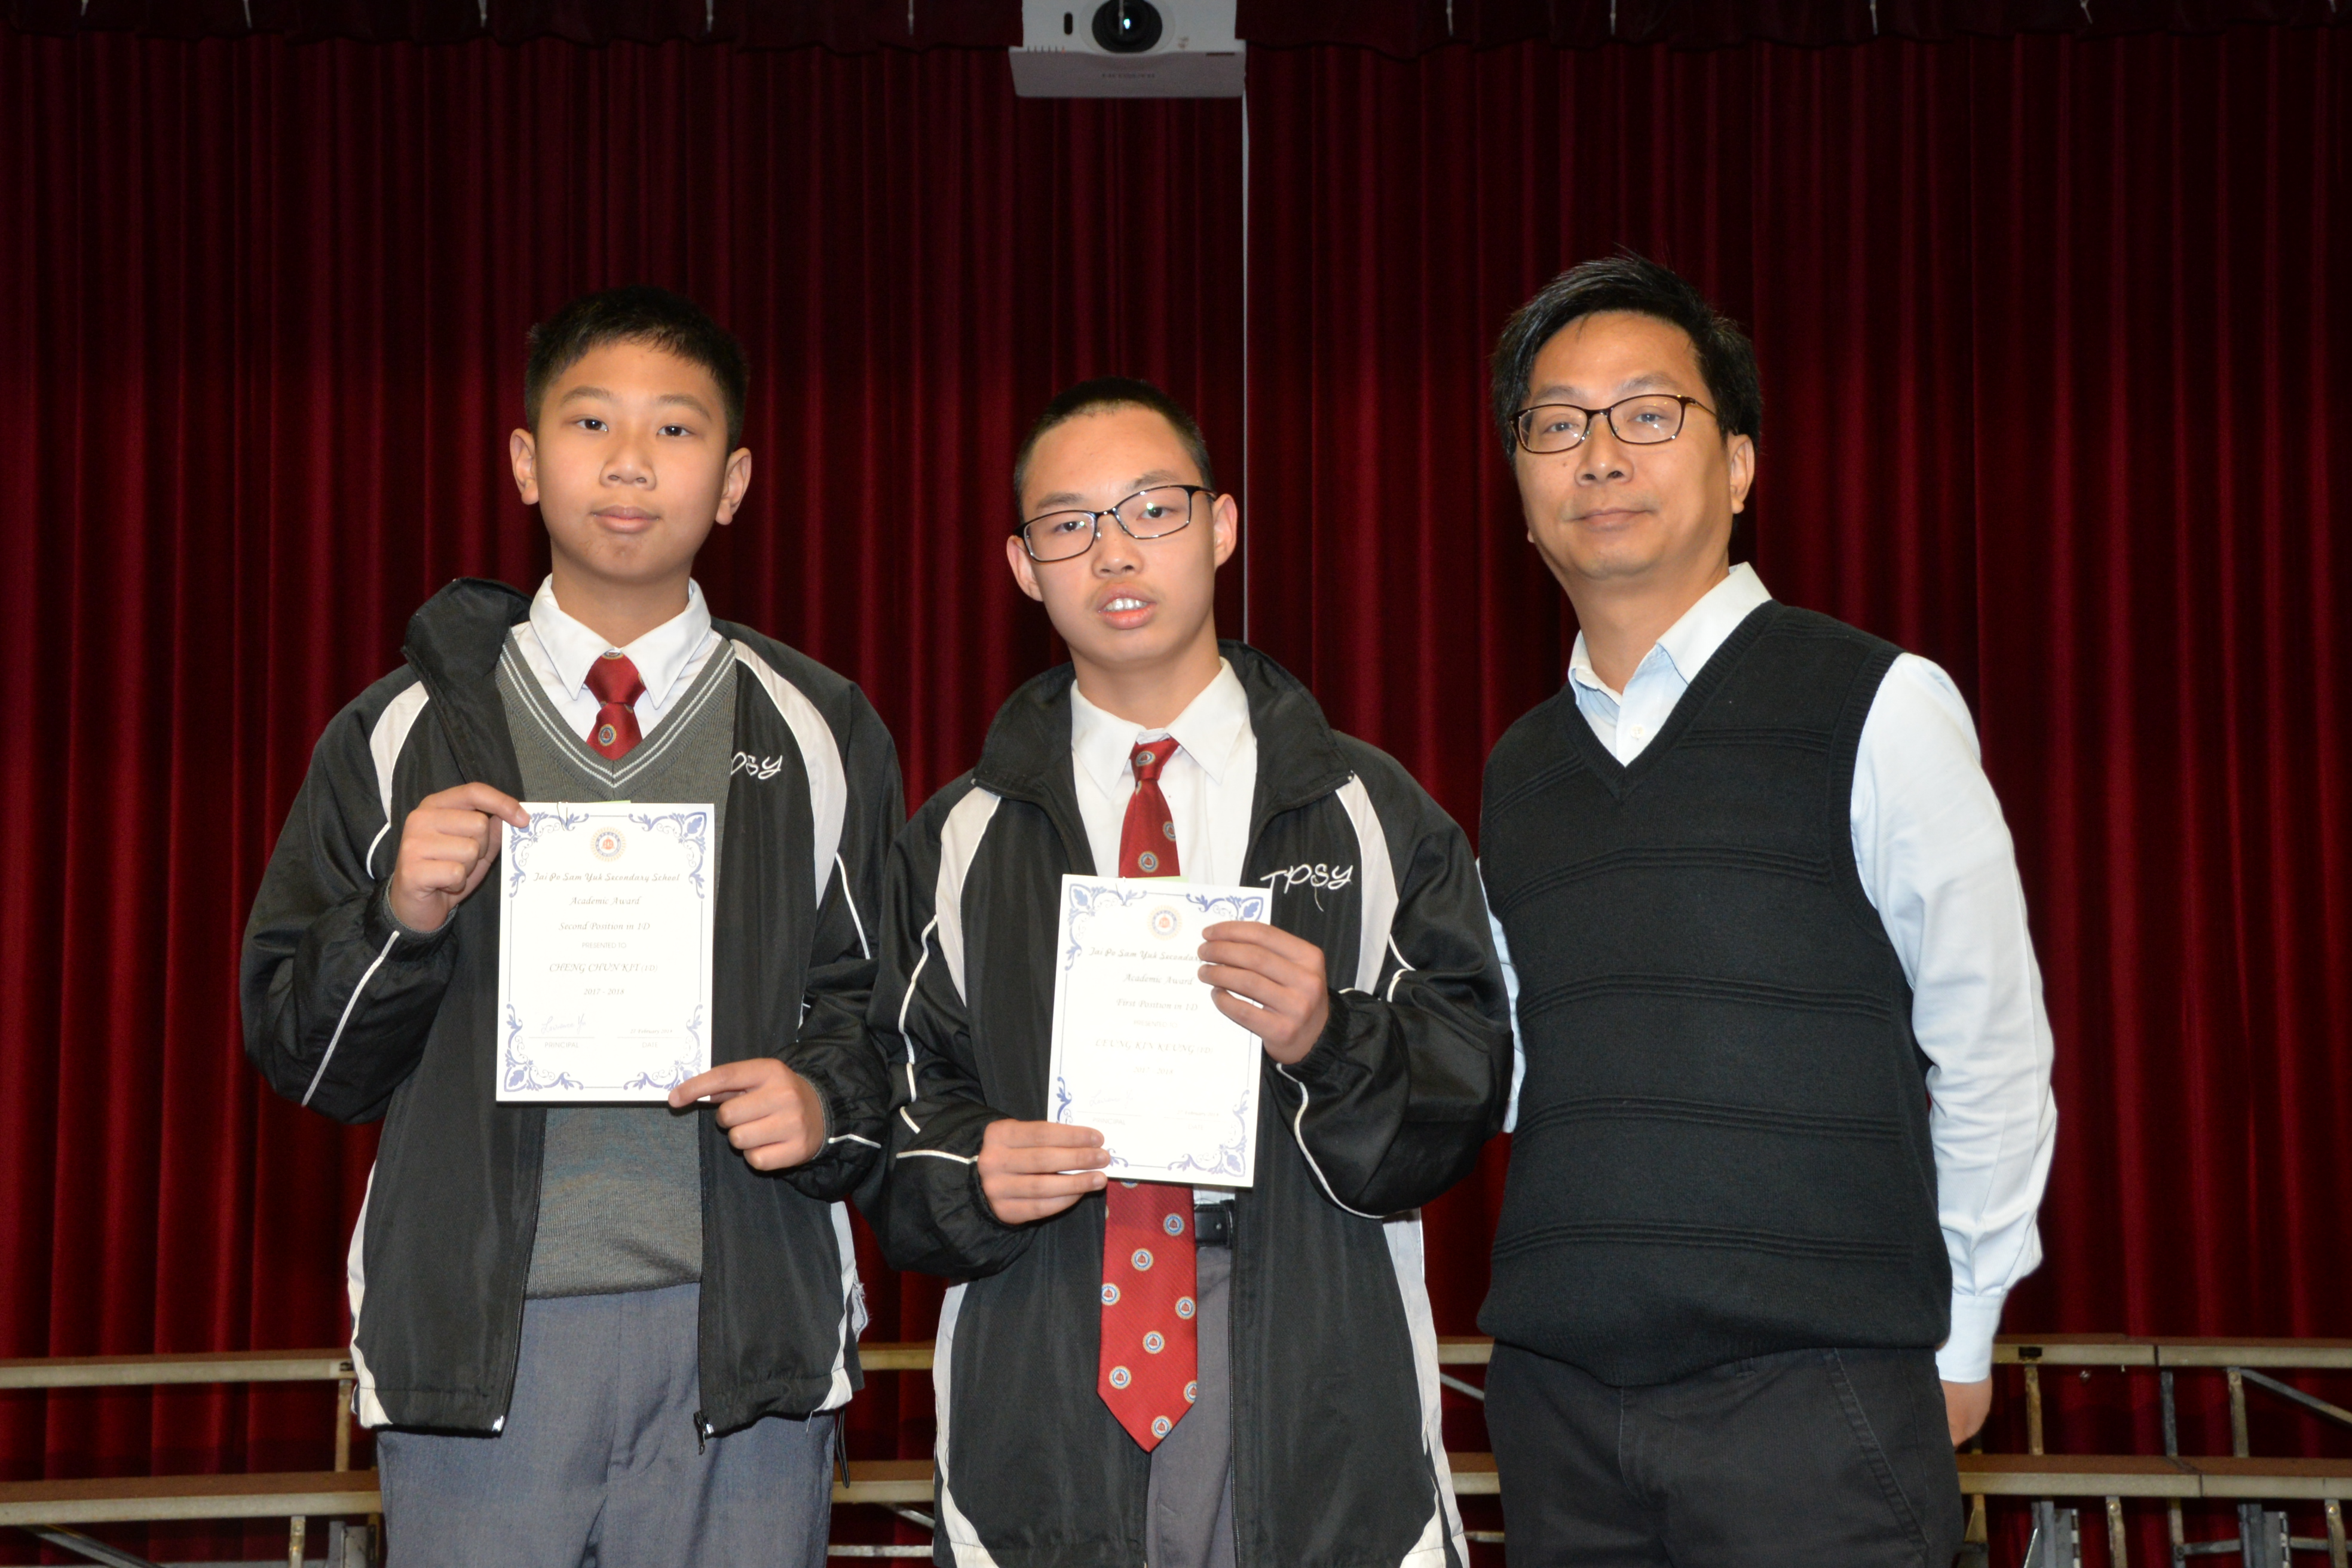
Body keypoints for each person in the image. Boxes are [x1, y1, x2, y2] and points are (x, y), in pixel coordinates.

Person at [241, 286, 902, 1567]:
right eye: (592, 422)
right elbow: (302, 1058)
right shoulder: (399, 731)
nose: (630, 461)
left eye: (676, 429)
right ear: (526, 462)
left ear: (735, 482)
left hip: (741, 1333)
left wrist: (823, 1101)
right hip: (481, 1338)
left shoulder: (820, 727)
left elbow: (879, 1018)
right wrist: (399, 918)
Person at [859, 378, 1512, 1568]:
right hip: (1048, 1367)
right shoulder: (957, 840)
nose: (1115, 551)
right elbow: (889, 1104)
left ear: (1221, 527)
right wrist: (971, 1169)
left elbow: (1465, 1090)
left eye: (1153, 509)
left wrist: (1332, 1037)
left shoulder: (1369, 811)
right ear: (1022, 565)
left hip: (1315, 1368)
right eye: (1069, 524)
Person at [1475, 252, 2058, 1566]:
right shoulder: (1520, 769)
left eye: (1646, 413)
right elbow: (1513, 1070)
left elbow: (1990, 1040)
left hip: (1816, 1404)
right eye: (1556, 424)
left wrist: (1963, 1337)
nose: (1599, 456)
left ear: (1739, 466)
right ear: (1521, 492)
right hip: (1560, 1411)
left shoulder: (1880, 704)